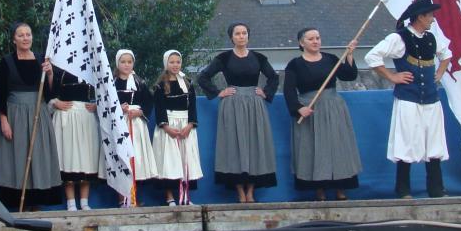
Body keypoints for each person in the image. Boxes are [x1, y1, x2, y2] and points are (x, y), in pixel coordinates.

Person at [365, 0, 451, 198]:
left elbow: (446, 54)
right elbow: (372, 56)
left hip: (430, 97)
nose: (432, 19)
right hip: (408, 97)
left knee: (434, 141)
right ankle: (403, 189)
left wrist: (439, 74)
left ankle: (436, 188)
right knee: (406, 141)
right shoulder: (399, 38)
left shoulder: (431, 38)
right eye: (429, 15)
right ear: (419, 17)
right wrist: (392, 76)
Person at [196, 23, 279, 203]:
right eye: (237, 34)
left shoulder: (258, 58)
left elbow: (274, 77)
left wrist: (266, 92)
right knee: (234, 146)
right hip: (232, 105)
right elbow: (203, 77)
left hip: (254, 105)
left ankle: (251, 191)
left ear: (248, 36)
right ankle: (240, 191)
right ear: (231, 37)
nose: (241, 36)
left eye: (244, 33)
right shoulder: (224, 58)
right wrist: (219, 92)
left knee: (254, 145)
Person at [0, 22, 62, 210]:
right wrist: (4, 120)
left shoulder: (41, 60)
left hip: (39, 113)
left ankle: (34, 201)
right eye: (21, 35)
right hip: (16, 115)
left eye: (28, 34)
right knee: (16, 158)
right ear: (14, 39)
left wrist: (50, 73)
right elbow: (0, 94)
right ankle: (15, 202)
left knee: (37, 157)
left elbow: (48, 92)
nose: (25, 38)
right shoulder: (6, 62)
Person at [283, 29, 361, 201]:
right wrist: (298, 108)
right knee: (314, 149)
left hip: (333, 108)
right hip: (310, 109)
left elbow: (349, 76)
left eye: (318, 38)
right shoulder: (295, 65)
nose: (315, 41)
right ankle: (319, 189)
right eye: (310, 39)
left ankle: (341, 187)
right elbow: (288, 91)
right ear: (301, 43)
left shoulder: (331, 59)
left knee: (337, 147)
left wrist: (349, 55)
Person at [152, 50, 203, 205]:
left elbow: (192, 106)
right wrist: (166, 127)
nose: (175, 65)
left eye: (178, 62)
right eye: (172, 62)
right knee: (169, 161)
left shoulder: (187, 83)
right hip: (169, 127)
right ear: (166, 63)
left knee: (185, 160)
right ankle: (170, 197)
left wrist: (190, 124)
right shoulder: (160, 85)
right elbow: (159, 108)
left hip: (185, 126)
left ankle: (185, 196)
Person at [111, 49, 158, 204]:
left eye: (129, 62)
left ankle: (134, 197)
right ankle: (122, 198)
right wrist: (119, 108)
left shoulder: (139, 82)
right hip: (119, 124)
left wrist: (140, 112)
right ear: (118, 63)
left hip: (136, 125)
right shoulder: (112, 82)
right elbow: (106, 102)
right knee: (121, 159)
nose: (126, 65)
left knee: (135, 158)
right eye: (123, 62)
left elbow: (149, 101)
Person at [49, 67, 99, 211]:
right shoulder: (58, 69)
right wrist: (55, 102)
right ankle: (71, 202)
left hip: (85, 116)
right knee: (68, 157)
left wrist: (97, 105)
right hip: (66, 115)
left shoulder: (91, 68)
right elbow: (49, 92)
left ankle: (84, 202)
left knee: (86, 158)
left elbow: (103, 91)